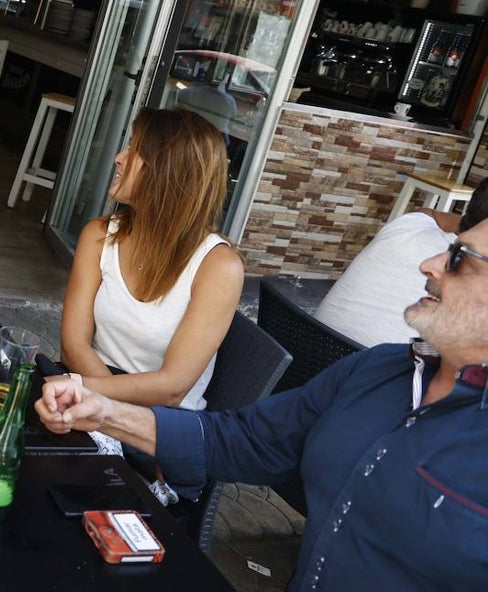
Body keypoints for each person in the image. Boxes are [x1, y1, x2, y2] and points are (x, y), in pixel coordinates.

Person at [37, 217, 488, 591]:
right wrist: (105, 411)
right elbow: (243, 440)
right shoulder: (378, 370)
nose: (429, 264)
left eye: (460, 259)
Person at [57, 107, 244, 410]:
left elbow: (171, 389)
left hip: (160, 424)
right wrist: (96, 404)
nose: (119, 157)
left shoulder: (218, 267)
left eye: (134, 149)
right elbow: (73, 345)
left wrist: (84, 392)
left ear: (167, 171)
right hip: (92, 390)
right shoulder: (99, 235)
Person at [314, 179, 488, 346]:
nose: (428, 266)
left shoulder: (410, 225)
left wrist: (474, 224)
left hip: (303, 351)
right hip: (376, 370)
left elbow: (429, 213)